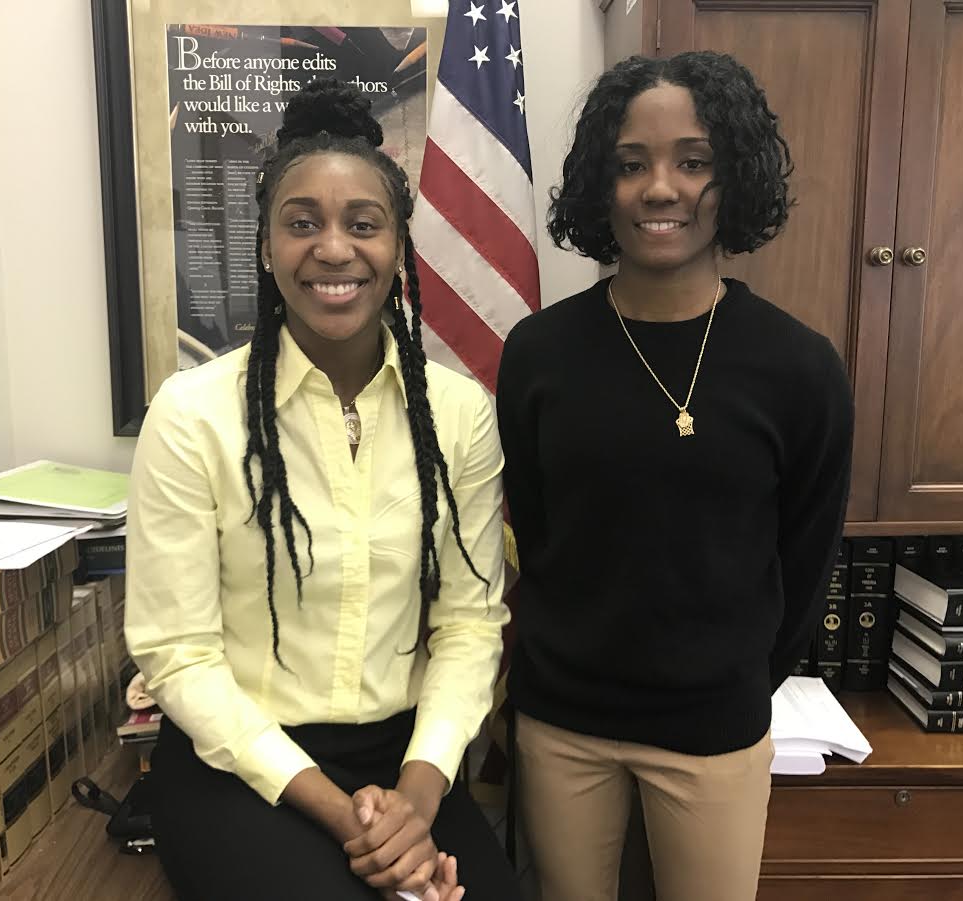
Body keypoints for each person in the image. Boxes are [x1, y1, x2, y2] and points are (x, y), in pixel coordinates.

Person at [126, 79, 520, 901]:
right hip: (239, 766)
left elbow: (468, 625)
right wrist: (351, 820)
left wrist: (412, 802)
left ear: (397, 247)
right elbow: (178, 653)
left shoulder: (456, 417)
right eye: (302, 222)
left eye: (362, 224)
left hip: (406, 762)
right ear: (267, 247)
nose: (333, 248)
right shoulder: (193, 414)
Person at [496, 52, 854, 901]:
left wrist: (731, 674)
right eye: (630, 164)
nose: (660, 188)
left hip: (714, 728)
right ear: (599, 184)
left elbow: (804, 558)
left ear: (732, 180)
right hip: (562, 722)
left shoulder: (798, 367)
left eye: (692, 162)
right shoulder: (538, 354)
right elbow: (537, 531)